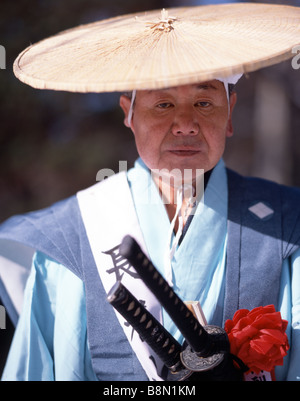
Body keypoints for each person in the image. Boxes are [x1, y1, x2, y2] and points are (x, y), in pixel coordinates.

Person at [1, 4, 300, 381]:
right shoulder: (69, 238)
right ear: (129, 113)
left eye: (204, 102)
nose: (186, 124)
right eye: (163, 104)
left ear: (230, 113)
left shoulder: (289, 225)